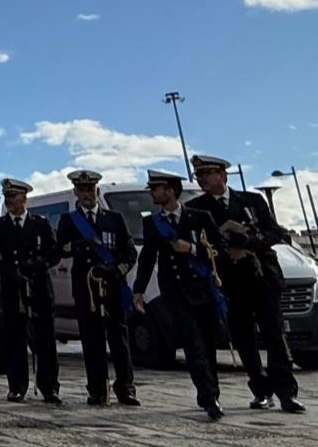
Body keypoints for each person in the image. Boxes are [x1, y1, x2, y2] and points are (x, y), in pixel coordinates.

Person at [186, 154, 304, 413]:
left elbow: (275, 232)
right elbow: (199, 243)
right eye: (199, 175)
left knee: (274, 335)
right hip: (230, 281)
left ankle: (286, 392)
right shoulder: (196, 208)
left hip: (261, 276)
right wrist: (225, 251)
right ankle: (261, 390)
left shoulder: (252, 200)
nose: (202, 179)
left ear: (222, 175)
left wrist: (249, 243)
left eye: (206, 174)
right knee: (244, 339)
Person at [134, 169, 228, 420]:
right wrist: (138, 290)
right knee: (192, 345)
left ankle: (212, 392)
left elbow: (220, 249)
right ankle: (209, 397)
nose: (153, 193)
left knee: (207, 345)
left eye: (156, 189)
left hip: (202, 291)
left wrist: (193, 249)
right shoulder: (152, 223)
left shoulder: (199, 217)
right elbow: (147, 258)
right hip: (175, 293)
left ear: (171, 191)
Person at [54, 169, 138, 406]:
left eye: (90, 189)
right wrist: (79, 245)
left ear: (97, 191)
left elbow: (129, 251)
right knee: (92, 342)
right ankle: (97, 389)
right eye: (82, 190)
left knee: (119, 341)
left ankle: (126, 388)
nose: (87, 194)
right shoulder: (69, 221)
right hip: (87, 289)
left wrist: (117, 270)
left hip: (112, 286)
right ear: (76, 192)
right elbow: (60, 249)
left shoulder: (114, 218)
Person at [0, 178, 60, 404]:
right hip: (13, 288)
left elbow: (53, 253)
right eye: (6, 197)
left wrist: (37, 264)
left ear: (24, 198)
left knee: (45, 339)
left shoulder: (40, 223)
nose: (9, 201)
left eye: (13, 196)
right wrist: (6, 270)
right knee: (15, 339)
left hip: (39, 287)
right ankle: (17, 386)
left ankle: (49, 386)